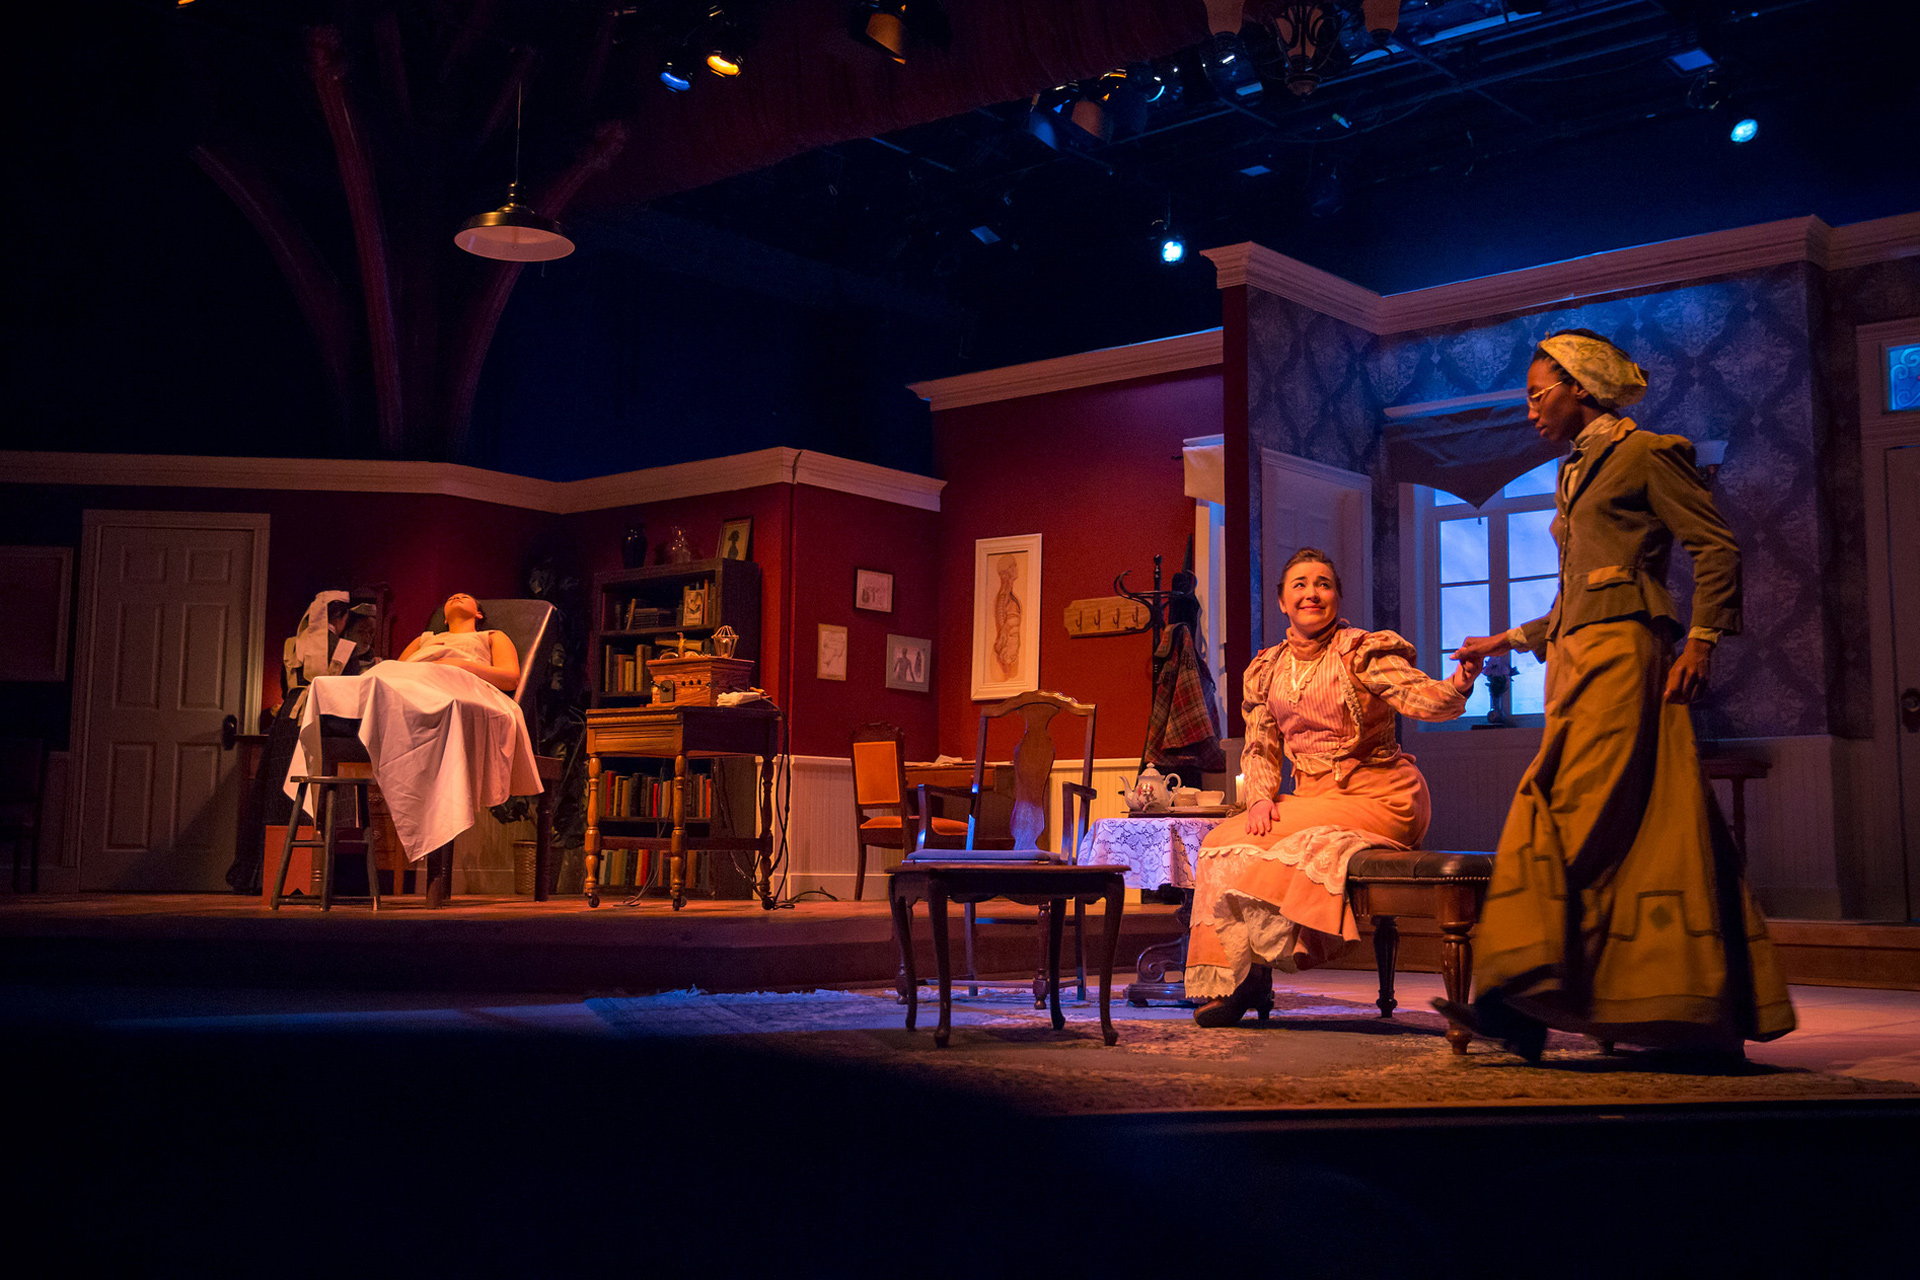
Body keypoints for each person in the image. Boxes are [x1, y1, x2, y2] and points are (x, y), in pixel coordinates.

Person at [1442, 329, 1794, 1062]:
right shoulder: (1575, 473)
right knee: (1644, 834)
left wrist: (1702, 639)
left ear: (1581, 388)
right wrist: (1499, 642)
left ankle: (1513, 1004)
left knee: (1561, 812)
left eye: (1540, 394)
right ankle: (1682, 1014)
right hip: (1576, 662)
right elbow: (1576, 596)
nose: (1532, 409)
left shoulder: (1643, 453)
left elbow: (1715, 546)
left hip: (1624, 658)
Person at [1188, 548, 1482, 1026]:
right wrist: (1260, 796)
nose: (1311, 593)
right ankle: (1244, 983)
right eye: (1299, 584)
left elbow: (1421, 697)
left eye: (1322, 583)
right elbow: (1260, 746)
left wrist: (1459, 682)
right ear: (1282, 601)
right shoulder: (1268, 669)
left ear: (1337, 597)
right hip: (1313, 795)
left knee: (1261, 843)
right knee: (1222, 840)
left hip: (1382, 793)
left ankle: (1251, 980)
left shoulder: (1362, 651)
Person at [398, 592, 521, 692]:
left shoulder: (492, 636)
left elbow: (511, 679)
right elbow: (395, 670)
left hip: (461, 687)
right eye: (451, 598)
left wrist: (462, 666)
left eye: (464, 597)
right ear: (445, 619)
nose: (456, 597)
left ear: (478, 614)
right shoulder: (423, 639)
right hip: (412, 682)